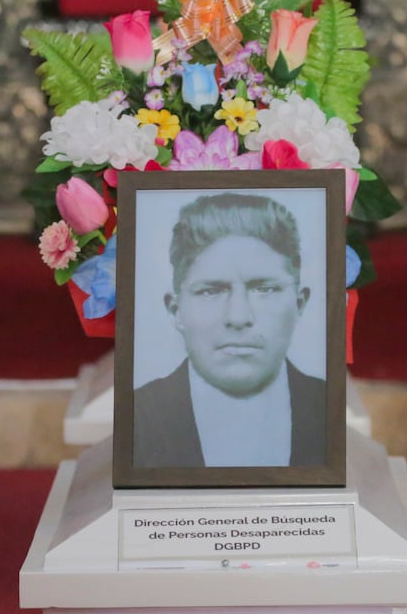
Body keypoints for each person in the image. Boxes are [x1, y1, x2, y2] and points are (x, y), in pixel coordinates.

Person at [133, 192, 326, 469]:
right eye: (211, 291)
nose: (238, 317)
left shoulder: (327, 408)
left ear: (299, 304)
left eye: (265, 289)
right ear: (176, 310)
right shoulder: (137, 415)